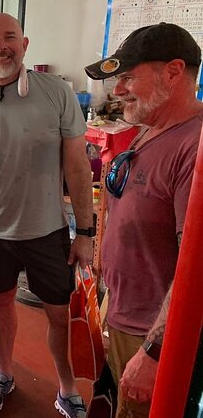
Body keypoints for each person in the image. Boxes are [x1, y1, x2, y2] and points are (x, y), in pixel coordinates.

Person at [0, 13, 93, 417]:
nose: (0, 46)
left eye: (9, 37)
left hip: (47, 229)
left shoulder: (56, 93)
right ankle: (3, 373)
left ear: (24, 44)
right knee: (0, 301)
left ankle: (65, 386)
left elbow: (78, 166)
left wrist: (86, 232)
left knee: (58, 313)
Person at [85, 22, 203, 418]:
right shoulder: (149, 129)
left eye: (129, 78)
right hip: (123, 314)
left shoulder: (194, 146)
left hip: (151, 335)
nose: (118, 90)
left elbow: (198, 267)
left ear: (173, 71)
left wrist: (154, 353)